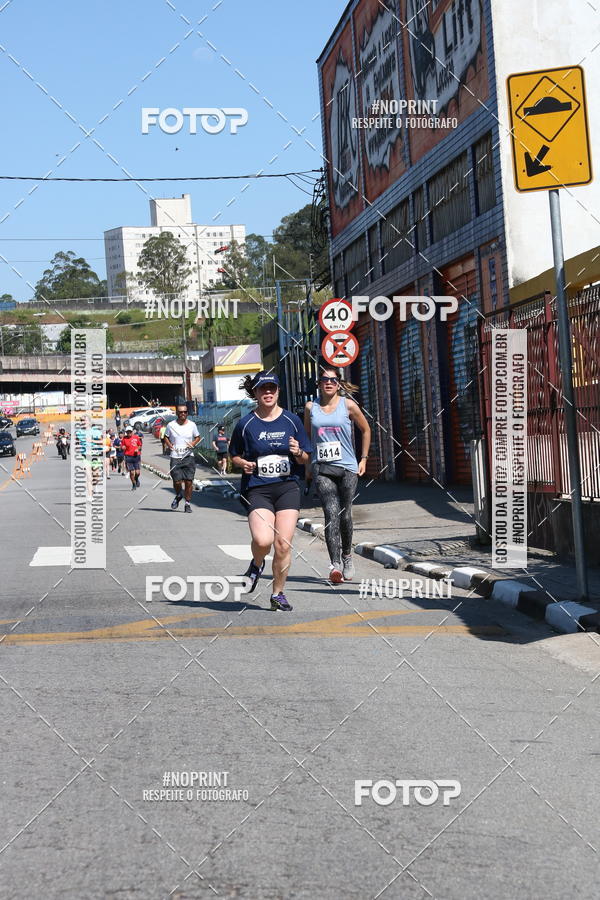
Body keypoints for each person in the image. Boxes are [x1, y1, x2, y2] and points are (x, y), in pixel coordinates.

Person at [229, 371, 311, 611]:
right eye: (262, 389)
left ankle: (278, 593)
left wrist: (297, 452)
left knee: (283, 544)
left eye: (272, 388)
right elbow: (233, 454)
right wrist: (242, 463)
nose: (268, 392)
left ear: (278, 391)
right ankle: (256, 564)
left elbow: (306, 458)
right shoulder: (246, 424)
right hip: (258, 488)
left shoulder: (292, 421)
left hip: (287, 487)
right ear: (255, 393)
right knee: (262, 540)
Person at [304, 364, 371, 584]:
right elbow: (307, 439)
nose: (329, 383)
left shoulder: (348, 405)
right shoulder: (310, 407)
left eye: (333, 380)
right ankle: (334, 565)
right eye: (325, 380)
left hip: (348, 467)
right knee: (331, 513)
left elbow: (366, 429)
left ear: (339, 384)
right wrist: (307, 467)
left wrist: (363, 459)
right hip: (321, 467)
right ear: (319, 384)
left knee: (345, 514)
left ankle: (347, 556)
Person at [164, 404, 201, 513]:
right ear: (177, 413)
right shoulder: (171, 425)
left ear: (187, 413)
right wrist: (169, 445)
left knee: (189, 482)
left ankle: (187, 504)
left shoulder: (192, 425)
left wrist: (193, 443)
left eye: (185, 412)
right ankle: (179, 495)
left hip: (188, 457)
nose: (183, 414)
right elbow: (165, 437)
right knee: (177, 481)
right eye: (180, 412)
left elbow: (197, 437)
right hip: (175, 457)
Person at [122, 424, 143, 490]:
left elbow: (140, 445)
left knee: (137, 472)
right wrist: (123, 447)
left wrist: (138, 449)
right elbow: (122, 446)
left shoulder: (136, 437)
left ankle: (136, 479)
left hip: (136, 456)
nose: (129, 433)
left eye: (130, 432)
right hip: (128, 457)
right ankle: (133, 484)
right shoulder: (124, 438)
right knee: (131, 472)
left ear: (132, 432)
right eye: (127, 432)